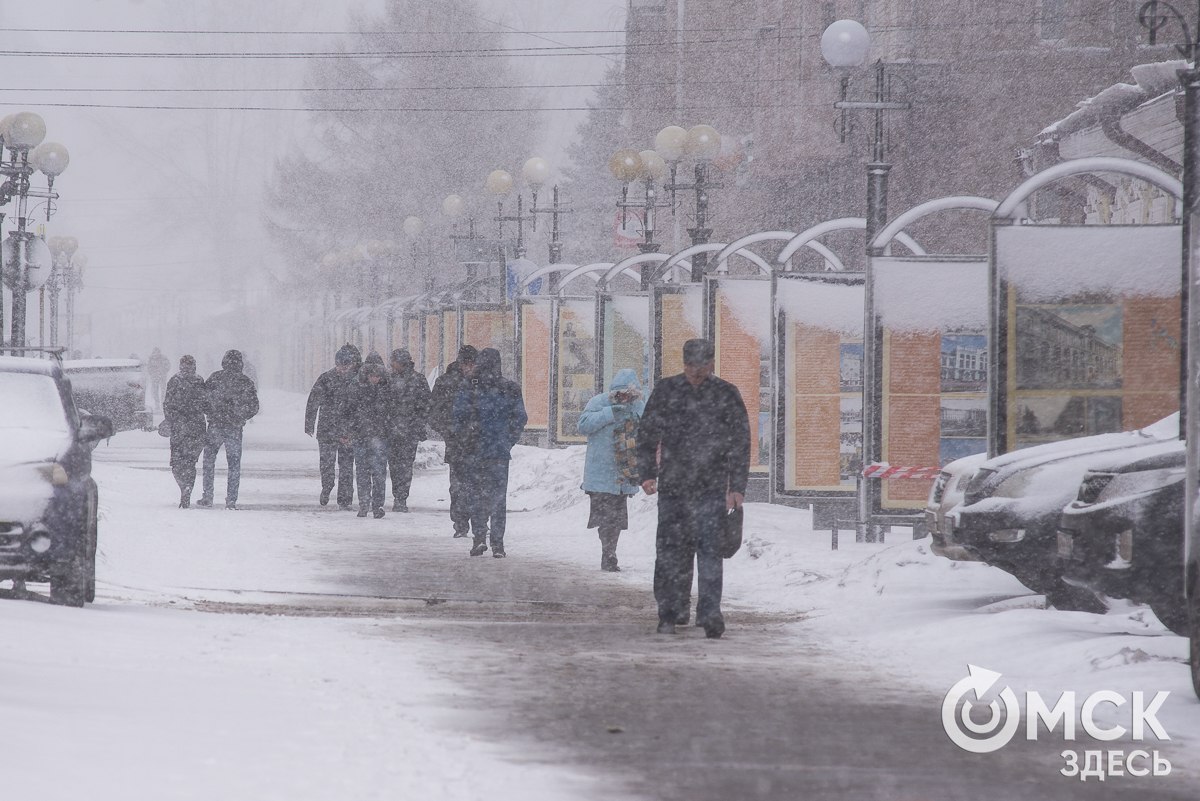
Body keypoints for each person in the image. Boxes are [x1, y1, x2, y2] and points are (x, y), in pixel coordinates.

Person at [636, 338, 750, 639]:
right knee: (671, 552)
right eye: (690, 365)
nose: (695, 372)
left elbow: (740, 442)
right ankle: (670, 612)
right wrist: (646, 473)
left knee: (710, 552)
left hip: (711, 487)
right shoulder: (667, 390)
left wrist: (737, 486)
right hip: (674, 486)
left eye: (701, 366)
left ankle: (710, 612)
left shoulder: (726, 394)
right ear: (683, 363)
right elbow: (647, 432)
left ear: (711, 364)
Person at [451, 347, 527, 558]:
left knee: (476, 495)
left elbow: (457, 417)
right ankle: (498, 544)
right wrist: (507, 439)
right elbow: (520, 418)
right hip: (498, 452)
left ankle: (478, 538)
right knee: (498, 498)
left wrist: (467, 437)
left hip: (474, 451)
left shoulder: (469, 386)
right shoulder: (510, 388)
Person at [578, 368, 646, 572]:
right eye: (621, 394)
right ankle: (608, 552)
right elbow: (583, 426)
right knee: (605, 517)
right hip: (600, 474)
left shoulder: (639, 407)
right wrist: (608, 414)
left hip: (623, 473)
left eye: (629, 395)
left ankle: (610, 551)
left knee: (615, 518)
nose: (625, 398)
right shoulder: (599, 403)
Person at [197, 349, 260, 510]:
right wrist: (240, 416)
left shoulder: (215, 378)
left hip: (215, 426)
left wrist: (211, 412)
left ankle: (208, 495)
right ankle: (231, 499)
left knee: (209, 461)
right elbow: (254, 406)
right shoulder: (245, 381)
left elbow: (202, 399)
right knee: (234, 464)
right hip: (234, 428)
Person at [429, 345, 477, 537]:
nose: (469, 367)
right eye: (466, 363)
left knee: (476, 485)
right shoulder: (446, 382)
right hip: (457, 442)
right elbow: (433, 413)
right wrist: (448, 431)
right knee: (458, 485)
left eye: (472, 363)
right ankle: (460, 522)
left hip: (477, 443)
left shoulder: (481, 382)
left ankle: (478, 521)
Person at [304, 344, 360, 509]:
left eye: (346, 365)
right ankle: (327, 486)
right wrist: (309, 424)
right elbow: (313, 401)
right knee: (327, 463)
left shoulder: (356, 380)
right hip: (328, 429)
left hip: (347, 429)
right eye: (341, 365)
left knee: (346, 464)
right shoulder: (326, 378)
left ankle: (345, 497)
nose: (343, 369)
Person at [348, 360, 397, 519]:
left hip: (378, 436)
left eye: (377, 376)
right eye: (372, 376)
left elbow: (393, 413)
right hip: (363, 436)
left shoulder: (386, 391)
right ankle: (364, 504)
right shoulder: (358, 390)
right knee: (364, 472)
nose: (374, 379)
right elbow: (350, 411)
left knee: (378, 472)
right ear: (367, 375)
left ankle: (377, 505)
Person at [387, 348, 431, 512]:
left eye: (393, 361)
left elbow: (426, 405)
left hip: (403, 429)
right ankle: (400, 496)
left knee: (400, 465)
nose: (392, 364)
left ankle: (400, 497)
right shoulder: (416, 379)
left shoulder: (413, 380)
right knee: (401, 465)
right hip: (401, 430)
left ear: (400, 362)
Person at [162, 355, 209, 508]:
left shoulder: (174, 381)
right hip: (196, 427)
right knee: (190, 462)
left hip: (179, 427)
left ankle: (183, 486)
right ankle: (188, 487)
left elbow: (168, 403)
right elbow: (205, 403)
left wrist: (170, 419)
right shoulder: (199, 381)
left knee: (177, 462)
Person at [147, 347, 170, 412]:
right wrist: (152, 373)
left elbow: (168, 366)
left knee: (163, 391)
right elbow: (149, 368)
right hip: (155, 377)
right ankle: (157, 405)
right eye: (155, 352)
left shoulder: (163, 358)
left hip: (162, 377)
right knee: (155, 392)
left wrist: (164, 371)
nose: (156, 353)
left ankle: (163, 404)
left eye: (157, 352)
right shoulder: (151, 359)